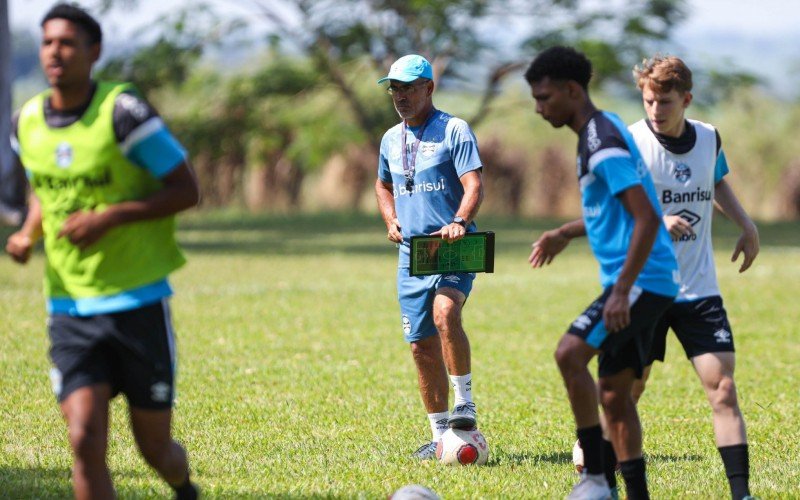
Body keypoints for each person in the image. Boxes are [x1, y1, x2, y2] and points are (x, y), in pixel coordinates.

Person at [5, 4, 199, 498]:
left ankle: (184, 487)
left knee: (155, 450)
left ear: (94, 52)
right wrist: (30, 232)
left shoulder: (123, 112)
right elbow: (42, 193)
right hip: (69, 307)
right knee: (84, 438)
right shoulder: (25, 122)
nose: (54, 52)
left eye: (67, 42)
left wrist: (109, 216)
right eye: (48, 42)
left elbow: (186, 190)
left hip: (137, 304)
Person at [524, 46, 679, 499]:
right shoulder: (599, 129)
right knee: (613, 393)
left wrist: (621, 291)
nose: (538, 108)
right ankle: (630, 494)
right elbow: (613, 213)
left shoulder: (600, 140)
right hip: (648, 280)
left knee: (569, 354)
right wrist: (565, 232)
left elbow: (647, 218)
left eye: (544, 97)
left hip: (643, 282)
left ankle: (594, 477)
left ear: (572, 90)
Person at [627, 55, 758, 499]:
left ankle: (741, 493)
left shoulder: (708, 138)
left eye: (664, 102)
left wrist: (746, 224)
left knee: (723, 389)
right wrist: (655, 220)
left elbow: (716, 180)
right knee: (630, 390)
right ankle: (603, 468)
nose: (655, 111)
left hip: (700, 290)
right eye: (648, 101)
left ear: (686, 98)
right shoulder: (631, 143)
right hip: (645, 288)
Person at [374, 54, 484, 460]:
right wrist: (390, 218)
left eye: (408, 88)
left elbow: (474, 185)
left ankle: (465, 403)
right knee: (420, 347)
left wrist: (459, 220)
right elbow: (382, 185)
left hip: (453, 245)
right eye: (394, 89)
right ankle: (441, 437)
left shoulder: (454, 130)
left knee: (445, 314)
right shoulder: (389, 139)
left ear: (429, 88)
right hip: (412, 254)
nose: (400, 96)